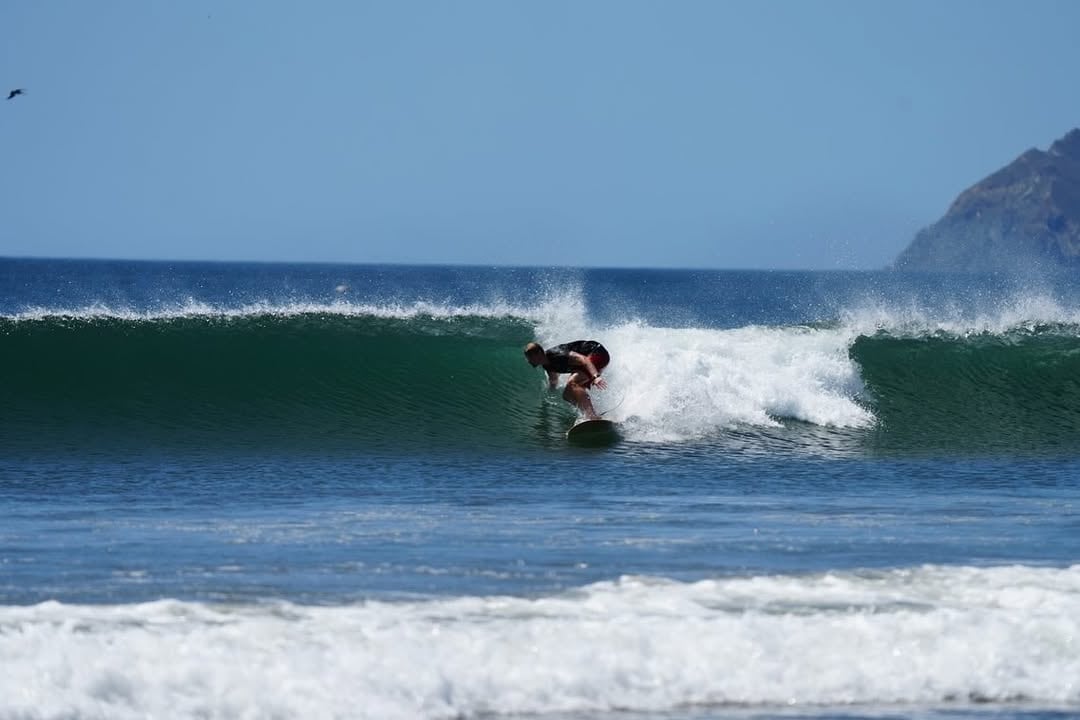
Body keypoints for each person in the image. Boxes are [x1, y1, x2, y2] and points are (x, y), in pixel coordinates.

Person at [524, 340, 609, 420]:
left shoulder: (558, 354)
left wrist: (596, 376)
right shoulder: (547, 365)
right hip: (589, 360)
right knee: (567, 395)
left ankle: (591, 416)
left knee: (573, 383)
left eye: (530, 357)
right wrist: (551, 391)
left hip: (598, 353)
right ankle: (589, 413)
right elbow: (553, 379)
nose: (528, 361)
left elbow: (584, 360)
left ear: (539, 353)